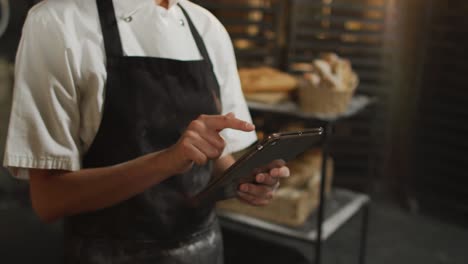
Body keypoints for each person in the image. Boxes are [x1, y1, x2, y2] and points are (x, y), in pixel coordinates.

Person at [3, 0, 290, 263]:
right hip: (107, 255)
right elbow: (49, 200)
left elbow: (215, 155)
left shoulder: (207, 27)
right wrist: (165, 161)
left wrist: (246, 180)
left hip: (204, 251)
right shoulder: (57, 22)